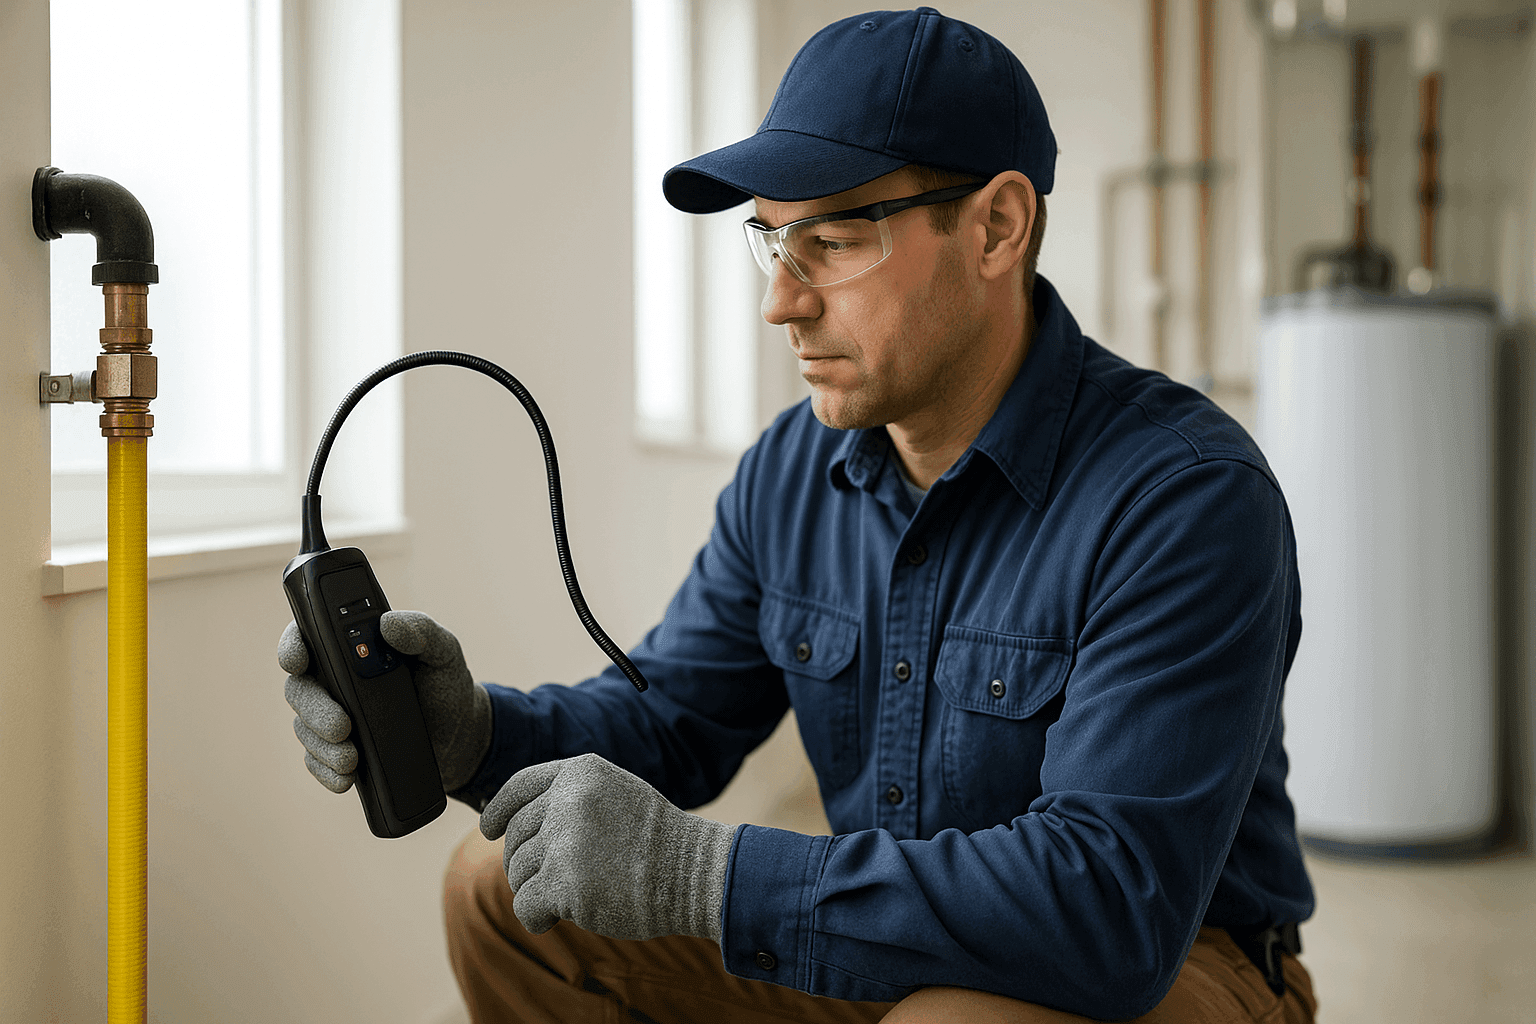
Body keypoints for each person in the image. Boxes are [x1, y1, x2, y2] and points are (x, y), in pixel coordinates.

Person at [279, 7, 1318, 1022]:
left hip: (1183, 964)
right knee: (501, 890)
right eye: (772, 240)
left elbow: (1109, 910)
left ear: (998, 226)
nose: (782, 299)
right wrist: (472, 735)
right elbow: (668, 720)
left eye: (833, 237)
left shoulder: (1181, 496)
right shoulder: (790, 471)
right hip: (895, 943)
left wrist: (709, 875)